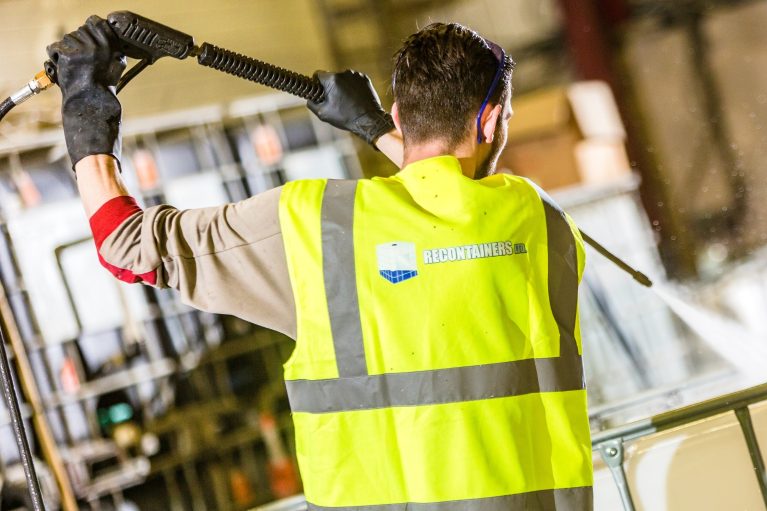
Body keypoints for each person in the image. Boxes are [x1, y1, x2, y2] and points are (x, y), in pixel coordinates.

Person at [49, 16, 593, 510]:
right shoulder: (543, 225)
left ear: (404, 112)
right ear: (492, 120)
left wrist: (85, 107)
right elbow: (458, 207)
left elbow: (123, 246)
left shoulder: (316, 228)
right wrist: (377, 130)